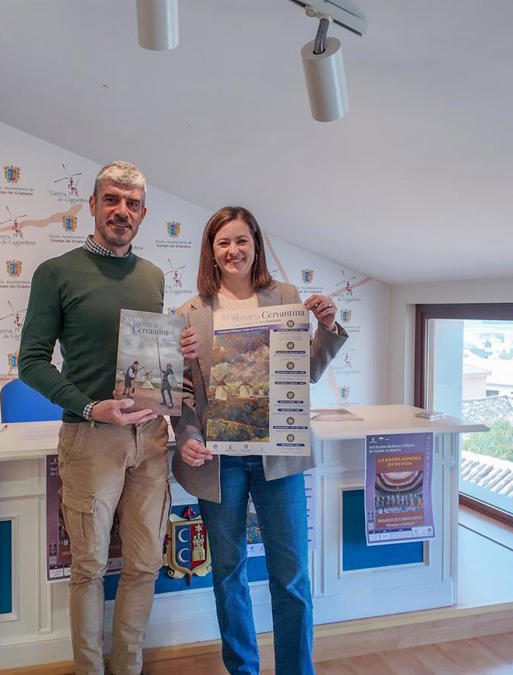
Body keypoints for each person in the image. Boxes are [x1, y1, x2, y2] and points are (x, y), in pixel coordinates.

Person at [174, 206, 347, 675]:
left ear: (255, 245)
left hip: (279, 458)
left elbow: (306, 372)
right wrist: (185, 435)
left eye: (241, 240)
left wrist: (327, 328)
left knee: (291, 576)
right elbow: (183, 394)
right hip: (219, 462)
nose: (233, 251)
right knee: (228, 575)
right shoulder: (188, 314)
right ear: (211, 251)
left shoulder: (286, 297)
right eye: (223, 242)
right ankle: (242, 670)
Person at [18, 161, 171, 675]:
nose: (122, 211)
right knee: (88, 568)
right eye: (112, 199)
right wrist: (89, 406)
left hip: (151, 439)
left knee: (145, 563)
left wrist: (179, 354)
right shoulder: (56, 272)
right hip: (90, 437)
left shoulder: (152, 277)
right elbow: (31, 361)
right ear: (92, 205)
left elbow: (151, 360)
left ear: (143, 213)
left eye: (132, 204)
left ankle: (128, 667)